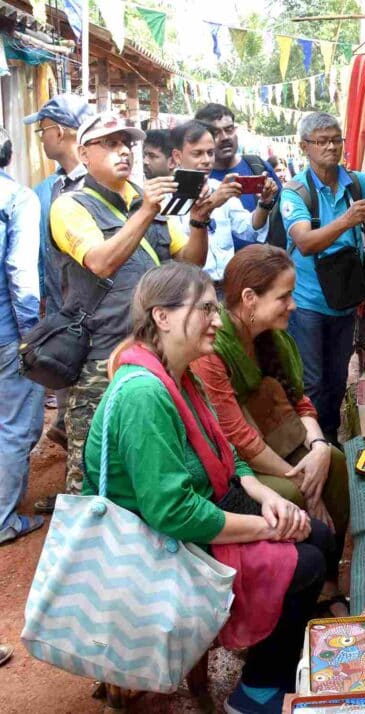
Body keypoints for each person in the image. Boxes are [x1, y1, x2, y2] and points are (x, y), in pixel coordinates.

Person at [85, 262, 336, 713]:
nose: (217, 320)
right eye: (204, 309)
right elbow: (172, 513)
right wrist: (266, 528)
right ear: (162, 317)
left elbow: (227, 451)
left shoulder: (181, 374)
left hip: (197, 510)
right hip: (158, 546)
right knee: (307, 561)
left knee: (316, 534)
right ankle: (256, 691)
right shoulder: (145, 394)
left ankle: (274, 660)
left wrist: (266, 495)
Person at [49, 111, 211, 496]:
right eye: (110, 143)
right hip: (99, 358)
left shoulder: (145, 199)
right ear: (84, 154)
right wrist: (147, 211)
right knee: (92, 467)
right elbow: (100, 261)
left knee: (153, 455)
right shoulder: (70, 206)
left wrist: (198, 222)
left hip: (154, 353)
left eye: (127, 143)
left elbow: (189, 263)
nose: (123, 151)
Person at [281, 111, 365, 444]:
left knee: (336, 378)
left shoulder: (355, 182)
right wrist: (347, 219)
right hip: (307, 302)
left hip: (344, 299)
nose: (331, 147)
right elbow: (305, 242)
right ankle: (316, 443)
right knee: (312, 381)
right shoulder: (295, 192)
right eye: (322, 141)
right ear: (304, 147)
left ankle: (330, 439)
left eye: (336, 140)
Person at [191, 245, 350, 536]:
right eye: (284, 297)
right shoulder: (213, 350)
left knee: (335, 461)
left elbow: (300, 402)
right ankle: (309, 559)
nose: (294, 305)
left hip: (272, 440)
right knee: (291, 493)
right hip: (233, 462)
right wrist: (302, 480)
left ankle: (332, 561)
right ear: (249, 298)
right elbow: (240, 440)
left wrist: (319, 448)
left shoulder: (273, 337)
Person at [25, 93, 91, 469]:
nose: (41, 138)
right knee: (71, 408)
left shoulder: (95, 184)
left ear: (62, 131)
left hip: (94, 322)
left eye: (43, 130)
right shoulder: (53, 187)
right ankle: (76, 480)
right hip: (66, 319)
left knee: (89, 413)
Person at [168, 120, 276, 293]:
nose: (206, 161)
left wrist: (264, 203)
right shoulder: (165, 197)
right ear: (177, 156)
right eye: (197, 154)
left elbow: (248, 229)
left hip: (228, 288)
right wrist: (211, 204)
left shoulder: (219, 188)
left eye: (210, 153)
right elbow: (184, 262)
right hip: (189, 292)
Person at [0, 128, 44, 545]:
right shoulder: (17, 198)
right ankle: (2, 520)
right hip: (6, 332)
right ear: (10, 155)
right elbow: (20, 271)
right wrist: (31, 337)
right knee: (15, 427)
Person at [194, 103, 282, 213]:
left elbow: (284, 211)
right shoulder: (198, 178)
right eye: (215, 132)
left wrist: (267, 202)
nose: (225, 137)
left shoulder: (257, 165)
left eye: (229, 129)